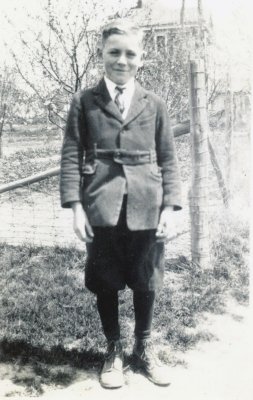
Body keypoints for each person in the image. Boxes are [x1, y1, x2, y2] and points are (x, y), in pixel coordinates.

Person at [60, 19, 182, 389]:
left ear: (141, 59)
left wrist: (170, 208)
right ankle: (113, 349)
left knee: (147, 278)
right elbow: (69, 156)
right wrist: (77, 208)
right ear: (101, 54)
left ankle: (143, 348)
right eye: (114, 52)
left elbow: (168, 159)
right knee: (106, 280)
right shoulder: (84, 102)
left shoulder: (154, 104)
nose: (122, 61)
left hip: (148, 204)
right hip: (101, 206)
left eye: (131, 54)